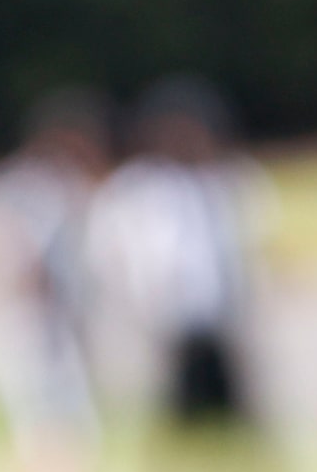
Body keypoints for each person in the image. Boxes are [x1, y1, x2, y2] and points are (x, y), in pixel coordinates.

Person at [88, 76, 269, 430]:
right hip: (163, 325)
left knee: (232, 417)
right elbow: (111, 256)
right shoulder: (136, 188)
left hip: (220, 321)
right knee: (170, 414)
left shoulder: (229, 181)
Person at [0, 90, 113, 472]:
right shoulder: (25, 187)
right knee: (46, 425)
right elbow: (5, 252)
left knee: (68, 426)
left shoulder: (62, 187)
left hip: (54, 325)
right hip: (31, 323)